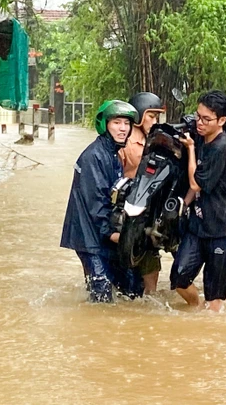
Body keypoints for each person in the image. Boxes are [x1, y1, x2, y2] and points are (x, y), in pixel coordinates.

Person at [60, 100, 143, 303]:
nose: (123, 128)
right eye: (117, 122)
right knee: (101, 293)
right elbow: (96, 203)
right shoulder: (93, 157)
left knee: (132, 287)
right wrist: (115, 234)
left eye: (126, 123)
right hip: (90, 237)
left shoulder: (113, 153)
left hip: (104, 234)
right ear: (105, 124)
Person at [170, 90, 226, 312]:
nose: (199, 123)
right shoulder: (200, 136)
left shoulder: (222, 146)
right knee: (178, 277)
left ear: (222, 121)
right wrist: (182, 206)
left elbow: (196, 185)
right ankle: (196, 306)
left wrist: (191, 149)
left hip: (222, 230)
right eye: (198, 116)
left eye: (206, 119)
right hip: (198, 227)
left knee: (215, 296)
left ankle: (211, 332)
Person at [118, 92, 166, 294]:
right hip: (129, 213)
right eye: (151, 117)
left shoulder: (156, 140)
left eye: (157, 117)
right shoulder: (126, 143)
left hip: (150, 212)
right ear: (138, 116)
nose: (155, 121)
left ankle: (149, 299)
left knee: (151, 261)